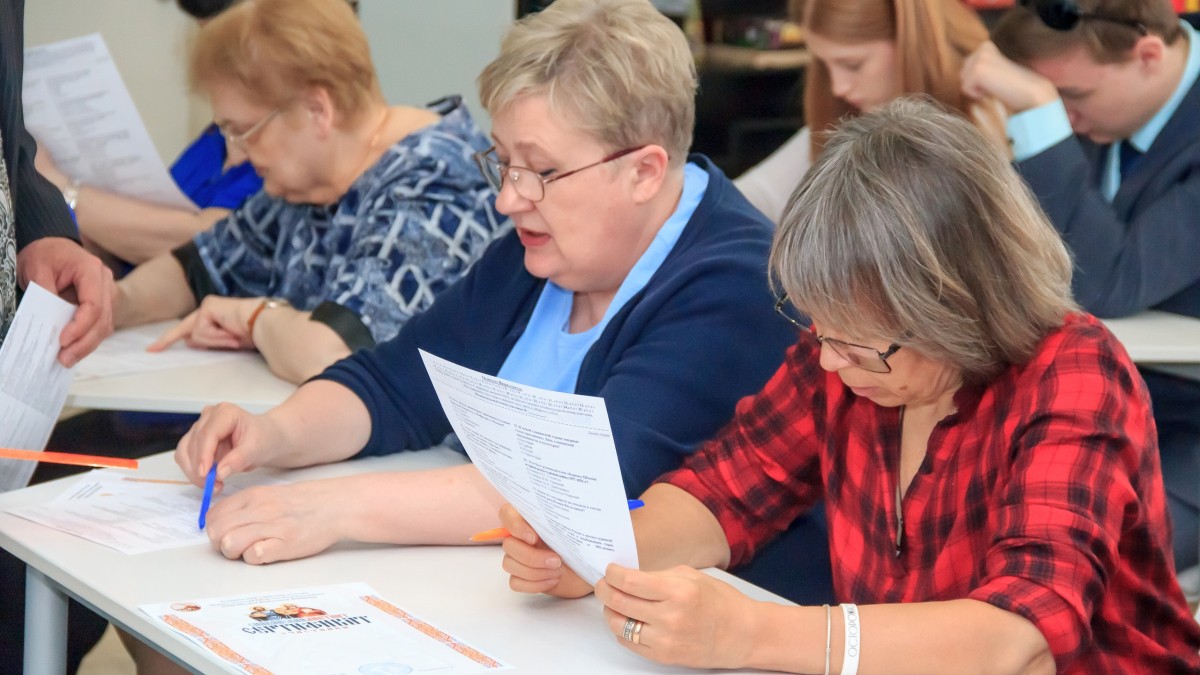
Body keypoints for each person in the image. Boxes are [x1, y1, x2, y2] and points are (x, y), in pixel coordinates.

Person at [499, 98, 1200, 674]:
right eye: (822, 329)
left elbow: (1017, 638)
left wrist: (751, 632)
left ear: (956, 307)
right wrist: (595, 552)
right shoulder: (849, 354)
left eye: (860, 343)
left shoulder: (1073, 373)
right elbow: (728, 487)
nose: (830, 362)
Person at [171, 0, 828, 604]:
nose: (508, 198)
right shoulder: (543, 249)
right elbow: (396, 382)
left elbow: (566, 488)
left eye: (539, 170)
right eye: (504, 162)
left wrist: (328, 509)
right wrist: (275, 433)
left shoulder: (736, 284)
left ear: (643, 172)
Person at [113, 0, 507, 385]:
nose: (237, 155)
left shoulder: (433, 183)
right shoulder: (308, 181)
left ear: (318, 110)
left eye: (244, 131)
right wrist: (115, 302)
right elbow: (197, 268)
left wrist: (254, 318)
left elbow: (334, 354)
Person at [960, 0, 1200, 576]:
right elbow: (1026, 262)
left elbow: (1112, 281)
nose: (1067, 119)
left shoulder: (1058, 118)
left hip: (1186, 428)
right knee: (952, 532)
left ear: (1148, 56)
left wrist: (1039, 112)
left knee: (1075, 565)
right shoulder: (1106, 104)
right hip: (1079, 403)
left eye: (1073, 97)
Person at [34, 0, 260, 270]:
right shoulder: (215, 138)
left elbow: (206, 243)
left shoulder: (279, 165)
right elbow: (139, 246)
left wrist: (62, 188)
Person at [734, 0, 1004, 224]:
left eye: (853, 65)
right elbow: (751, 198)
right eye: (824, 65)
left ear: (909, 39)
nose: (838, 87)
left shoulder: (994, 116)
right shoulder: (854, 118)